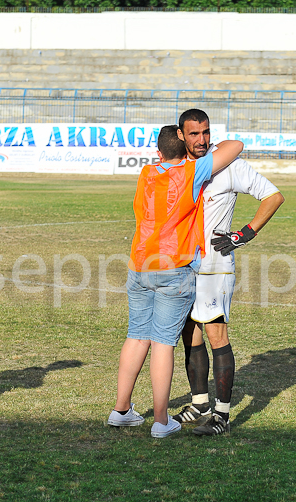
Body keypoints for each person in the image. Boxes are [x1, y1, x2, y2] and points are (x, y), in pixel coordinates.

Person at [107, 125, 243, 439]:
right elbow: (236, 145)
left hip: (140, 264)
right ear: (185, 149)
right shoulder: (192, 171)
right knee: (163, 342)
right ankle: (160, 420)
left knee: (137, 335)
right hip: (174, 266)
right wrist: (209, 145)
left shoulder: (147, 172)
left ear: (158, 153)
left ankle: (121, 409)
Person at [170, 109, 285, 436]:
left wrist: (244, 233)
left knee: (216, 334)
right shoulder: (181, 166)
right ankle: (199, 404)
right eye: (194, 134)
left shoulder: (229, 164)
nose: (201, 140)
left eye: (205, 132)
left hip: (215, 266)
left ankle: (222, 416)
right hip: (184, 264)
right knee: (189, 332)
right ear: (181, 135)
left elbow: (273, 196)